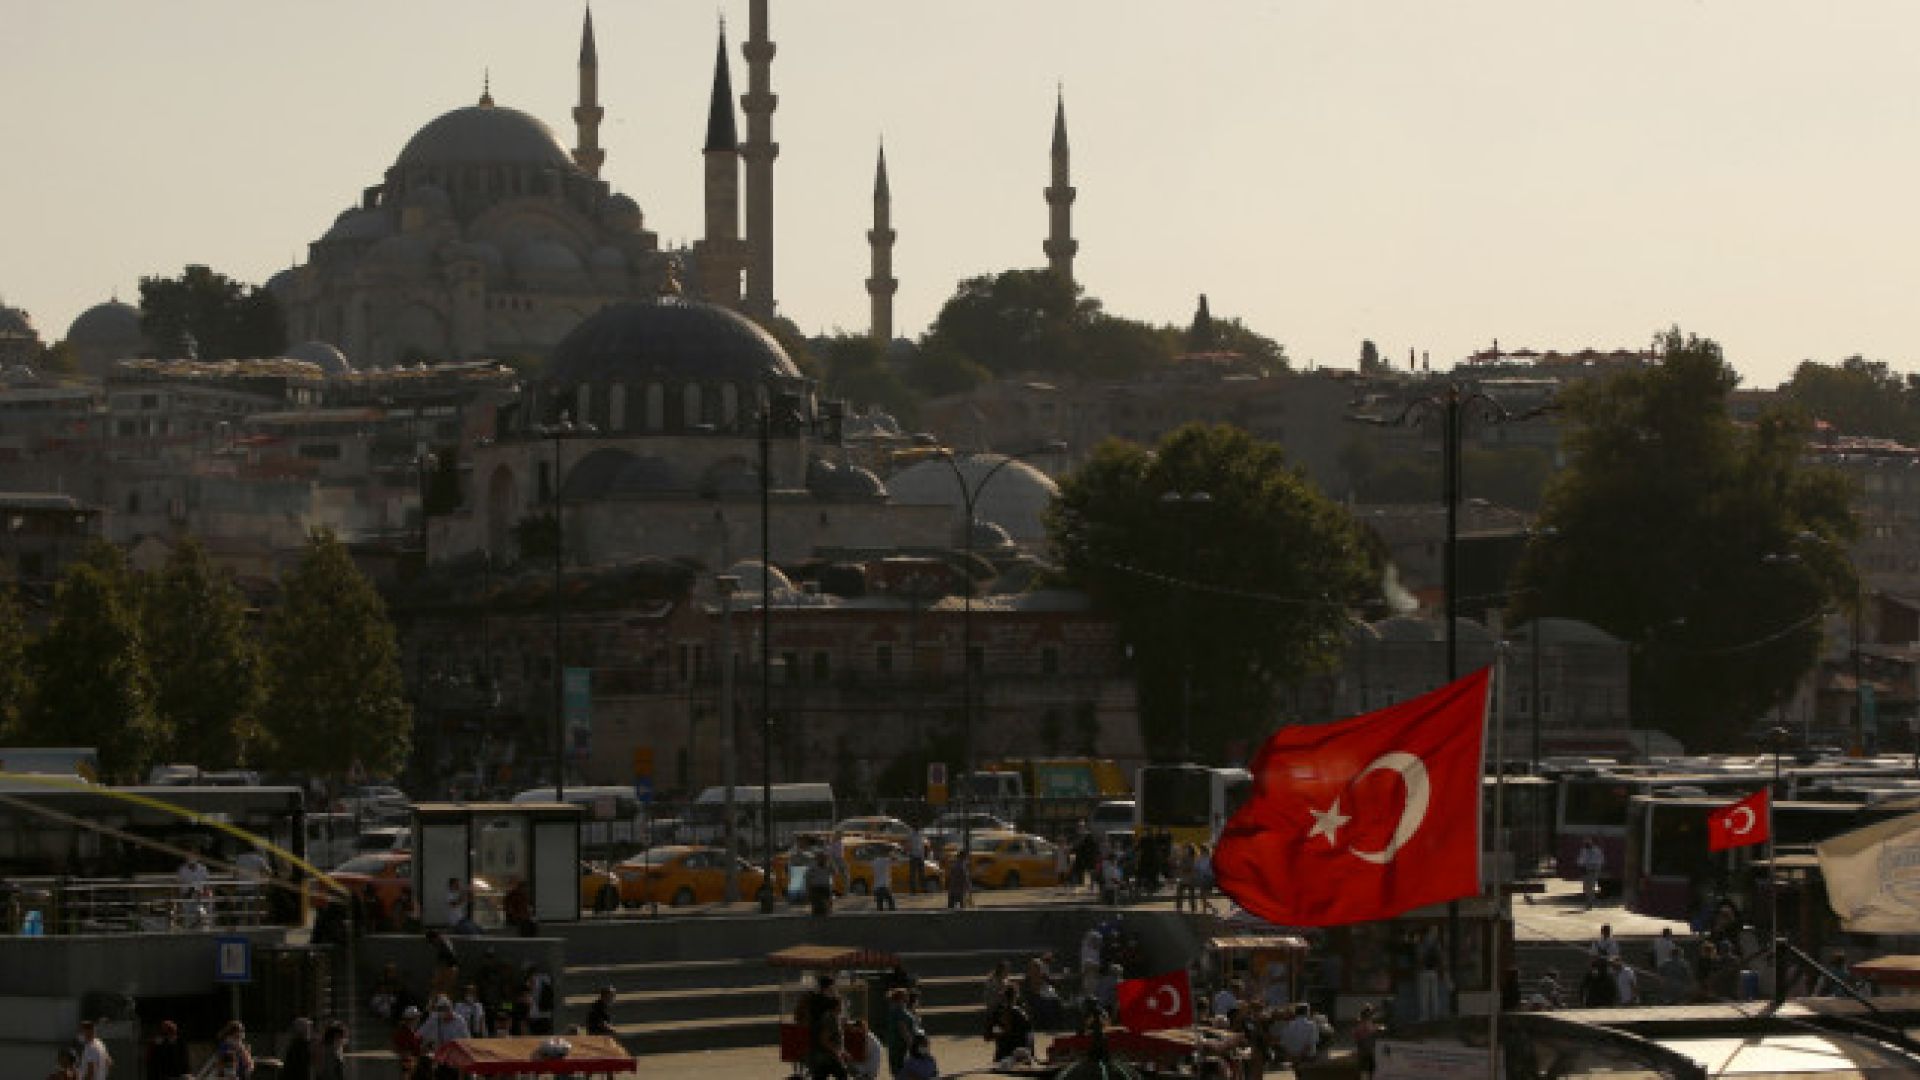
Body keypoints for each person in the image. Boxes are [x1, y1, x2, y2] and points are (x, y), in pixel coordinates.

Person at [987, 984, 1033, 1063]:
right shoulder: (1022, 1014)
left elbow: (987, 1036)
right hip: (1018, 1055)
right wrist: (1031, 1055)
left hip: (1003, 1055)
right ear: (1016, 996)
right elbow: (1029, 1036)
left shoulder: (997, 1013)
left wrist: (999, 1033)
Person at [1351, 1003, 1382, 1078]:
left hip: (1365, 1050)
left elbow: (1356, 1037)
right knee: (1367, 1068)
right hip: (1367, 1050)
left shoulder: (1362, 1025)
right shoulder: (1365, 1025)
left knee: (1366, 1069)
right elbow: (1369, 1032)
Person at [1577, 837, 1605, 909]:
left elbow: (1600, 860)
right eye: (1585, 843)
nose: (1586, 845)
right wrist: (1581, 866)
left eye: (1587, 843)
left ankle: (1590, 902)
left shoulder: (1596, 850)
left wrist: (1597, 868)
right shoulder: (1583, 850)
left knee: (1591, 886)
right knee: (1586, 887)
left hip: (1593, 870)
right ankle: (1589, 900)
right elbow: (1580, 860)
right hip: (1585, 870)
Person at [907, 828, 927, 895]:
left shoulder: (921, 834)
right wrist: (910, 853)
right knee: (913, 874)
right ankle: (913, 890)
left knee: (921, 873)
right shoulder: (911, 835)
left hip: (920, 856)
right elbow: (909, 845)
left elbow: (923, 845)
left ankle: (923, 888)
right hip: (914, 856)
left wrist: (923, 855)